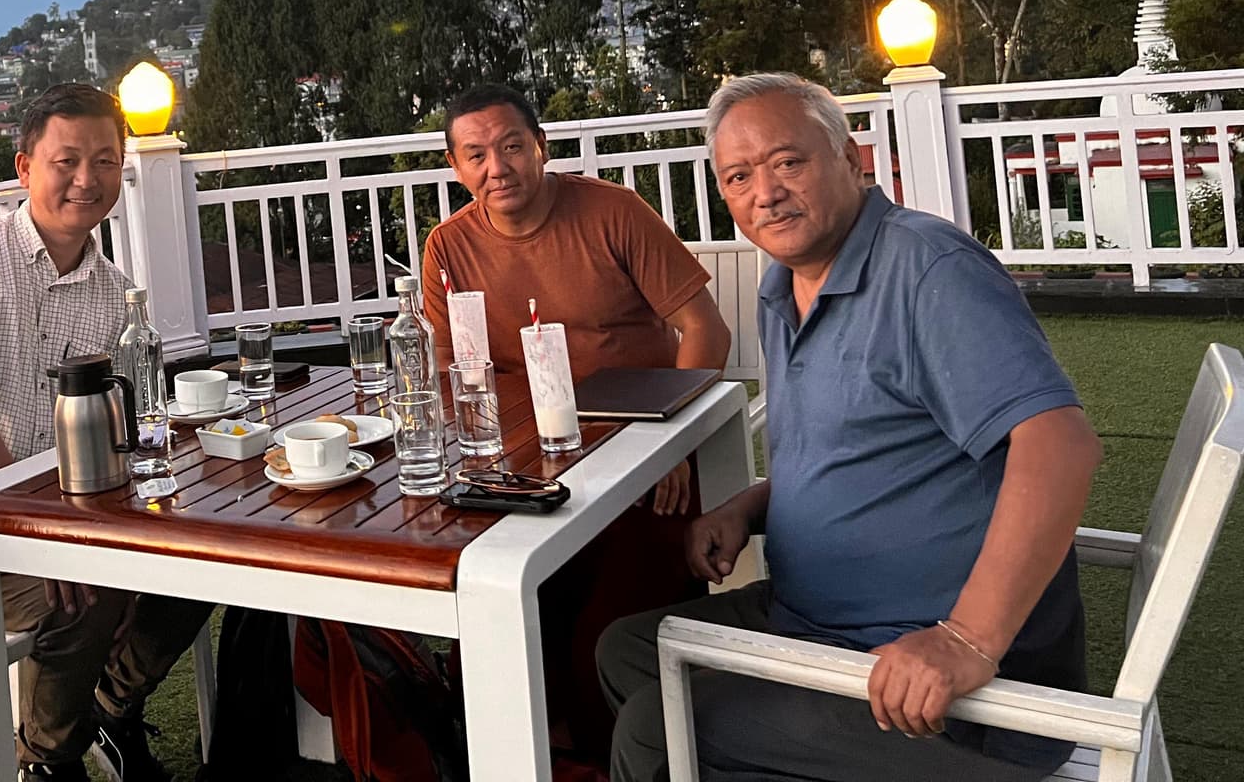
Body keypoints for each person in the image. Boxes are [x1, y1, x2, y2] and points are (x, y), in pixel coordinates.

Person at [598, 72, 1102, 781]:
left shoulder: (927, 270)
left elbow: (1061, 445)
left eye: (788, 162)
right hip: (815, 619)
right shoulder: (784, 287)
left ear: (852, 159)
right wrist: (749, 506)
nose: (764, 192)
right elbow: (862, 449)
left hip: (929, 672)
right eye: (738, 176)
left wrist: (965, 641)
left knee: (657, 730)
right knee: (624, 649)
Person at [0, 83, 213, 782]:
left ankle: (109, 709)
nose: (86, 179)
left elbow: (111, 427)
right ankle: (47, 761)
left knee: (213, 561)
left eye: (103, 160)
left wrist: (86, 535)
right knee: (86, 595)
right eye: (65, 161)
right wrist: (37, 538)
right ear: (24, 167)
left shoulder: (110, 289)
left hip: (60, 515)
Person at [420, 83, 732, 763]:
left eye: (510, 146)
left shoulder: (612, 212)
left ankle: (608, 761)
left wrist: (667, 441)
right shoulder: (448, 248)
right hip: (521, 472)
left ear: (541, 147)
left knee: (605, 628)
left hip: (640, 456)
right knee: (496, 612)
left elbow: (703, 328)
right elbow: (449, 374)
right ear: (455, 166)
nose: (495, 167)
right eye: (475, 155)